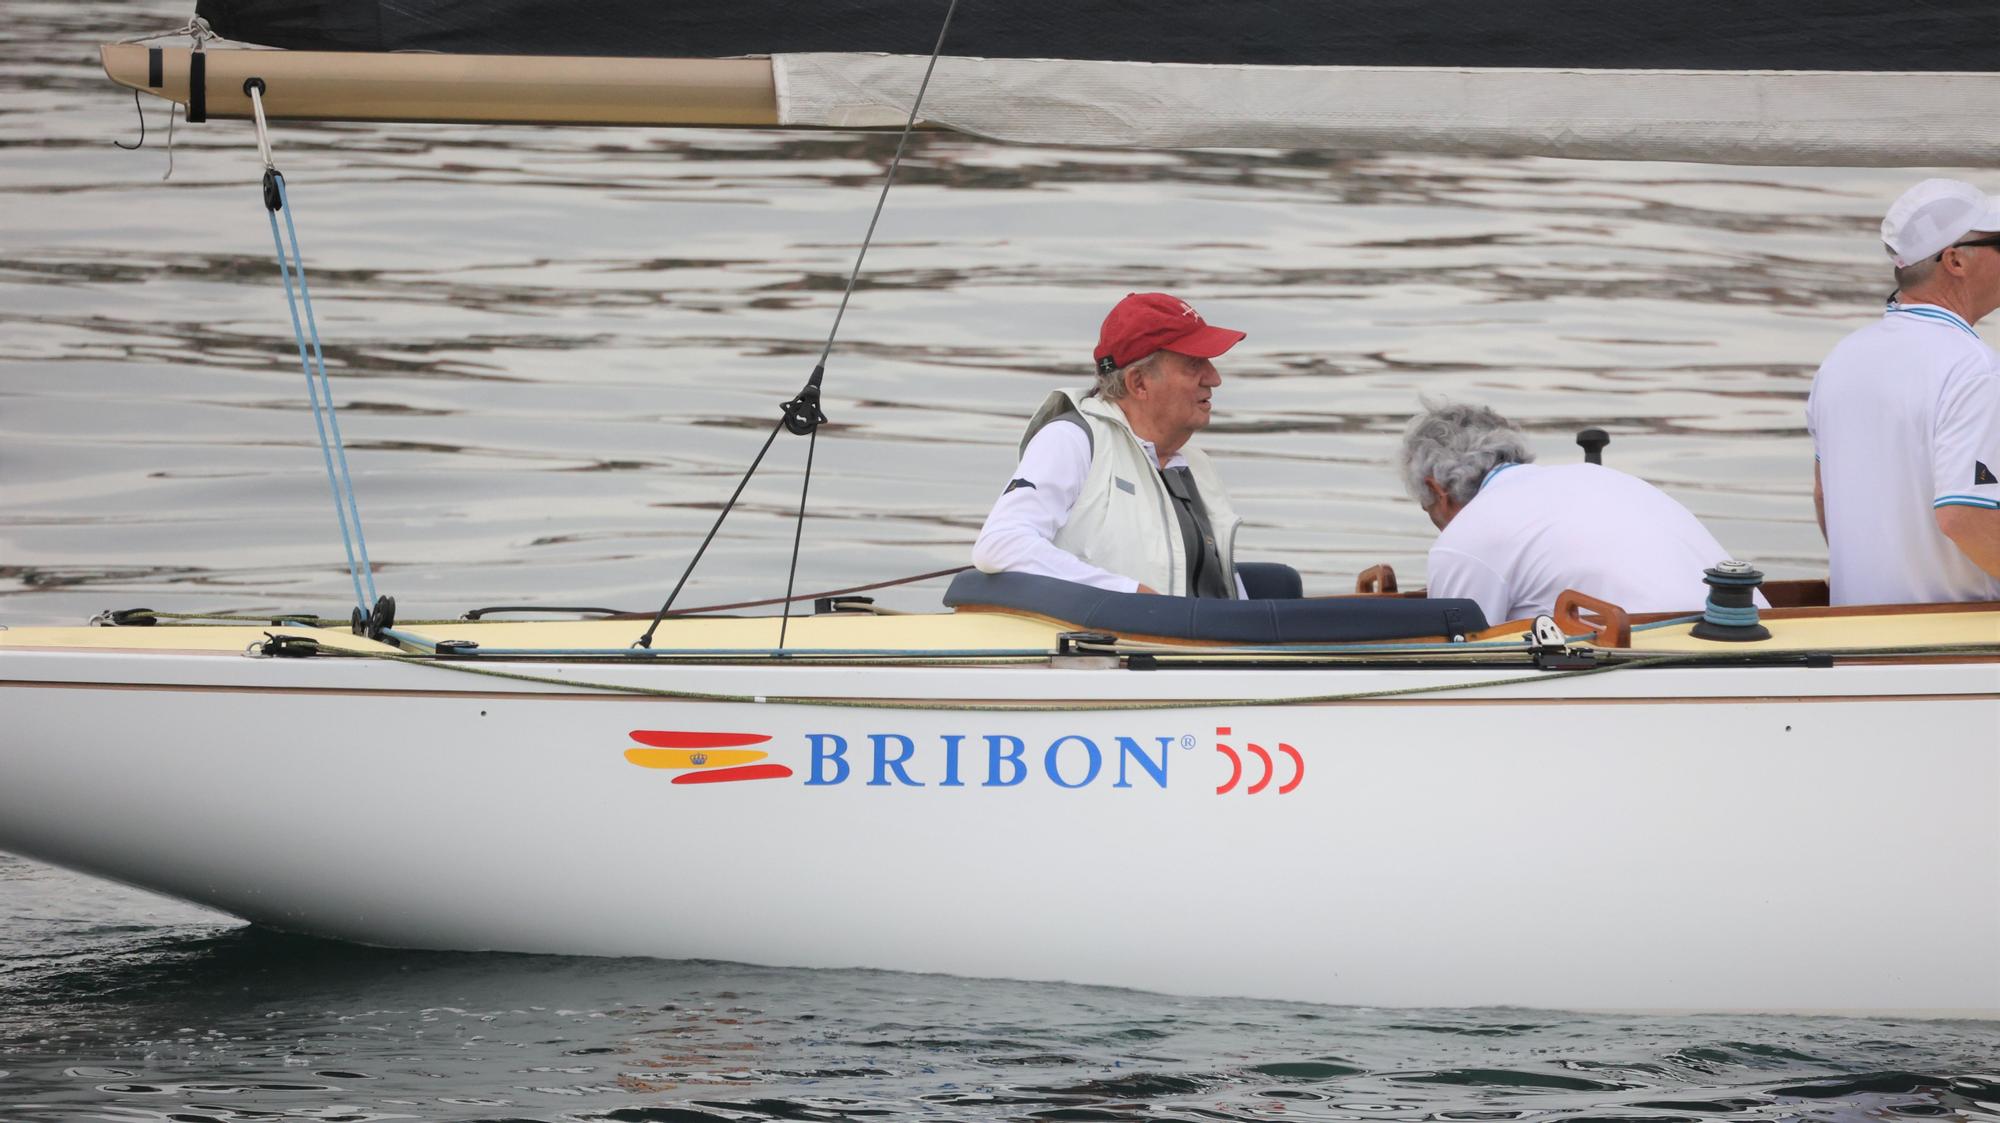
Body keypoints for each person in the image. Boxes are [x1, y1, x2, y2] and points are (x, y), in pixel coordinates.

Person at [972, 292, 1247, 597]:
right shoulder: (1071, 439)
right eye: (1194, 364)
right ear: (1138, 383)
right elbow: (1000, 545)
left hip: (1194, 640)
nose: (1214, 378)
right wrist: (1129, 593)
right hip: (1111, 642)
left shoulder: (1197, 465)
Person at [1807, 177, 2000, 605]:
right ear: (1955, 260)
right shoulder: (1974, 367)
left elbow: (1825, 496)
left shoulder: (1842, 358)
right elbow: (1963, 516)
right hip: (1950, 648)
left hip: (1853, 634)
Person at [1399, 400, 1755, 625]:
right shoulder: (1603, 478)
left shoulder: (1467, 535)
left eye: (1427, 509)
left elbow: (1458, 653)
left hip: (1658, 661)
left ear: (1436, 489)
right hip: (1761, 628)